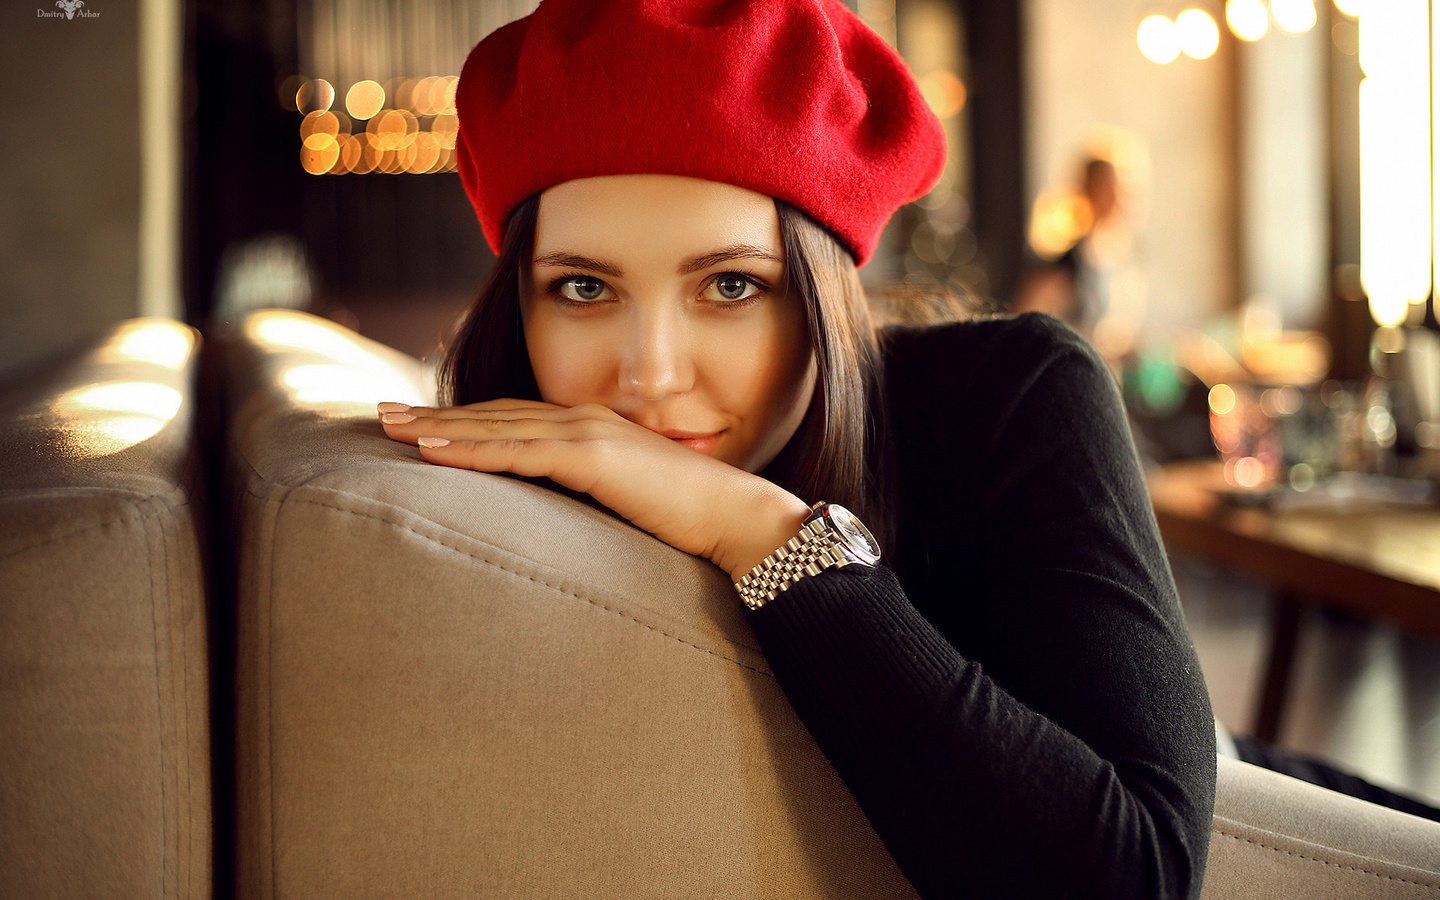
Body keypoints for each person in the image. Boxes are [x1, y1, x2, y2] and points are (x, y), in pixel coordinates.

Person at [377, 1, 1216, 896]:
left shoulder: (1013, 394)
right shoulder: (508, 491)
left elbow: (1138, 873)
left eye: (731, 284)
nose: (652, 376)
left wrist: (768, 535)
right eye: (583, 287)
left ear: (820, 288)